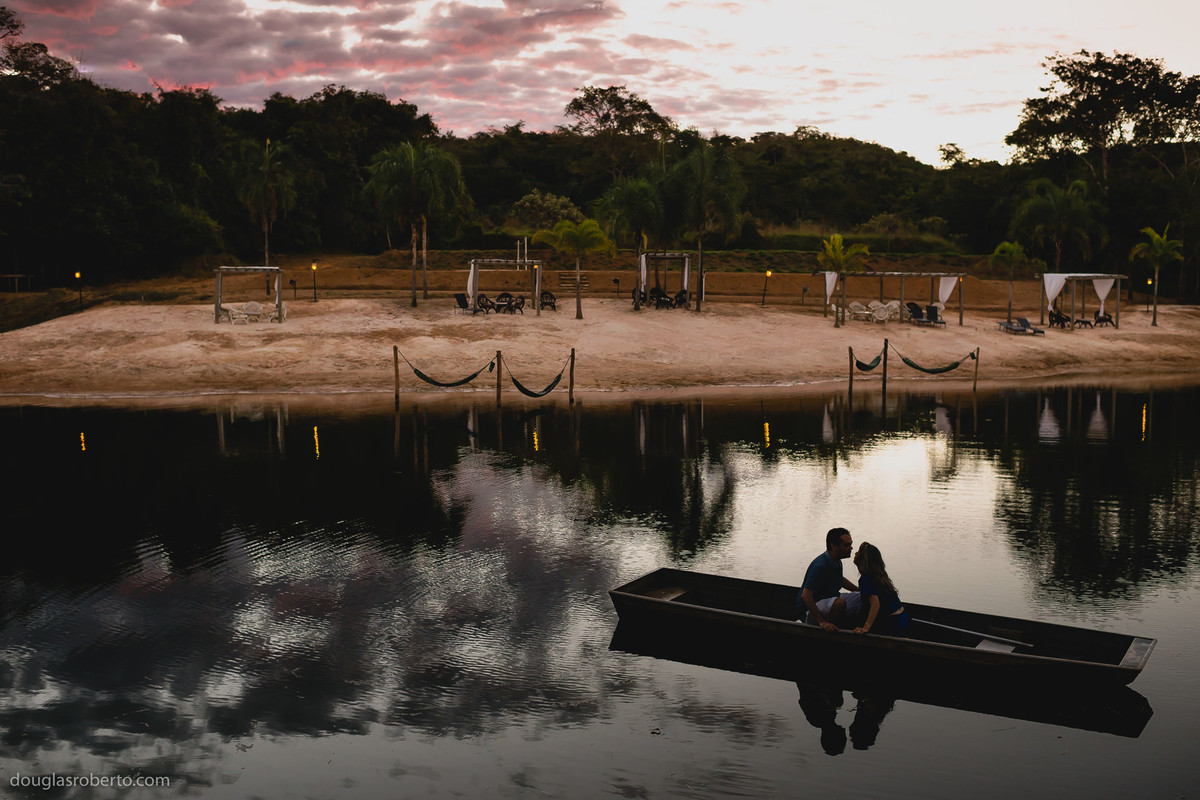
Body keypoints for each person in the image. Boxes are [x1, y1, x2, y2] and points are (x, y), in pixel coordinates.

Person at [797, 527, 863, 632]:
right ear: (833, 546)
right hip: (809, 610)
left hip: (829, 599)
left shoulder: (836, 560)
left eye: (851, 544)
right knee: (839, 603)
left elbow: (839, 580)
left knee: (865, 596)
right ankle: (830, 632)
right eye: (846, 545)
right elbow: (806, 595)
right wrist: (821, 622)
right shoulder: (821, 565)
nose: (851, 548)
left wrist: (860, 591)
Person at [851, 542, 909, 637]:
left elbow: (875, 604)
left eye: (858, 552)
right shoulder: (881, 576)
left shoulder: (865, 579)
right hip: (902, 620)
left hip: (892, 625)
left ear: (863, 559)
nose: (855, 553)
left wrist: (866, 627)